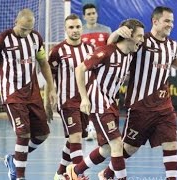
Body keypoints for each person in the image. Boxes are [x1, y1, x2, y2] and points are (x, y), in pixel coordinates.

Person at [98, 6, 177, 180]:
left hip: (164, 105)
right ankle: (107, 173)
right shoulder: (140, 41)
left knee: (171, 143)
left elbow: (172, 60)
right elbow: (112, 46)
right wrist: (117, 32)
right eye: (167, 21)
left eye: (172, 21)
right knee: (129, 148)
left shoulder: (172, 45)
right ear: (155, 21)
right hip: (140, 105)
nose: (171, 25)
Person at [0, 9, 57, 180]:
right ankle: (19, 177)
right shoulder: (2, 39)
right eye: (23, 29)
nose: (26, 33)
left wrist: (52, 88)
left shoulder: (36, 38)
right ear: (16, 22)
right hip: (12, 94)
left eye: (30, 29)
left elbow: (43, 63)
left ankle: (14, 158)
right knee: (23, 134)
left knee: (42, 135)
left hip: (33, 93)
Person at [65, 18, 145, 180]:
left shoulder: (129, 55)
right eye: (140, 36)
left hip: (111, 103)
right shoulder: (106, 52)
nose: (142, 40)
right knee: (117, 144)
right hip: (98, 102)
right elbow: (80, 69)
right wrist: (84, 99)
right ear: (128, 35)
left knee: (107, 149)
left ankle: (75, 172)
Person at [46, 14, 95, 180]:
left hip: (85, 101)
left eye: (77, 27)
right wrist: (47, 101)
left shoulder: (90, 49)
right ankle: (78, 175)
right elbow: (49, 77)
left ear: (82, 28)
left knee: (77, 136)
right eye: (71, 27)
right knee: (75, 137)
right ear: (66, 29)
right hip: (66, 101)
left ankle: (60, 173)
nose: (75, 30)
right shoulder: (57, 50)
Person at [81, 3, 112, 141]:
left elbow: (111, 49)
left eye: (93, 13)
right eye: (88, 14)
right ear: (84, 16)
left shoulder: (106, 30)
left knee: (104, 100)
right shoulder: (80, 31)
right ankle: (90, 127)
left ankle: (104, 127)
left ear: (97, 14)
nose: (91, 16)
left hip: (103, 71)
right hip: (86, 70)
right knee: (87, 99)